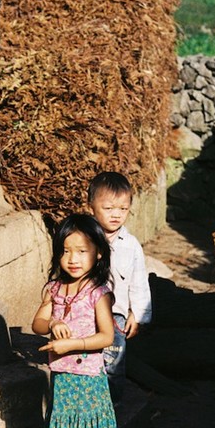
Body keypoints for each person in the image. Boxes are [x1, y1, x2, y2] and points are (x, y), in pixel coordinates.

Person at [32, 213, 118, 428]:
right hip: (62, 380)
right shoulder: (54, 288)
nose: (74, 258)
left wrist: (73, 344)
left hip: (89, 382)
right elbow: (37, 324)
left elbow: (107, 335)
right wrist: (53, 323)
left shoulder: (98, 292)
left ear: (97, 253)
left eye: (82, 251)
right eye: (67, 250)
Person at [87, 172, 153, 404]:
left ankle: (112, 405)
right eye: (109, 208)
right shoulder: (83, 238)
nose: (116, 214)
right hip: (84, 312)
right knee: (86, 358)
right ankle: (87, 402)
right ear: (91, 206)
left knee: (114, 360)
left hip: (116, 315)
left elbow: (138, 281)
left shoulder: (131, 245)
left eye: (123, 209)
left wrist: (139, 314)